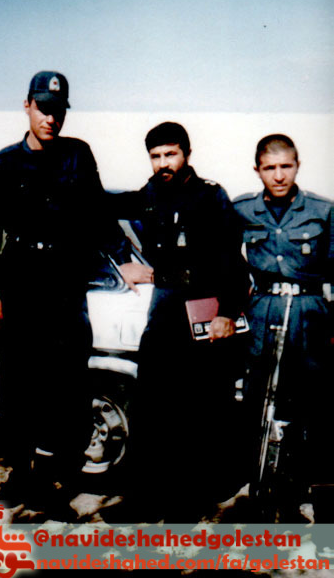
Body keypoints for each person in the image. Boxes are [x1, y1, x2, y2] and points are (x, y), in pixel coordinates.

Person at [0, 71, 132, 508]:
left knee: (67, 386)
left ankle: (61, 480)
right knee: (18, 385)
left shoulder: (77, 155)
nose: (51, 118)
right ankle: (19, 474)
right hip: (20, 284)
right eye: (44, 109)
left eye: (59, 110)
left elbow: (100, 214)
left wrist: (123, 258)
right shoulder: (5, 163)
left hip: (65, 285)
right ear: (27, 106)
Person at [108, 122, 250, 522]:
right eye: (155, 156)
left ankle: (186, 503)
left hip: (202, 305)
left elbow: (232, 260)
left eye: (170, 154)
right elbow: (102, 210)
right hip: (165, 306)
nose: (163, 163)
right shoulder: (150, 193)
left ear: (186, 153)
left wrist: (227, 312)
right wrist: (123, 259)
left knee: (196, 408)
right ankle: (143, 498)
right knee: (151, 404)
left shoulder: (210, 196)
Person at [234, 134, 334, 521]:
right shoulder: (242, 209)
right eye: (270, 168)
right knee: (259, 403)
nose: (278, 175)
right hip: (263, 313)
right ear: (257, 170)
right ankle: (261, 491)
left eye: (285, 166)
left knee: (311, 406)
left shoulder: (323, 210)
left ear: (297, 166)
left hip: (309, 315)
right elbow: (226, 263)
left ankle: (304, 494)